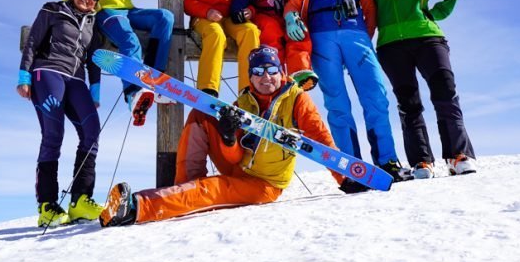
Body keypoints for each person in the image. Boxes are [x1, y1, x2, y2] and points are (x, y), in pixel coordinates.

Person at [98, 46, 339, 227]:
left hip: (263, 184)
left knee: (208, 189)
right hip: (239, 166)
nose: (266, 77)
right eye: (258, 71)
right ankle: (185, 187)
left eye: (272, 70)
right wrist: (228, 137)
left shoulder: (296, 99)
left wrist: (344, 176)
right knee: (202, 114)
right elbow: (233, 157)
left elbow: (321, 138)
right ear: (250, 76)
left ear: (281, 72)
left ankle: (134, 208)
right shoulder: (243, 101)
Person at [283, 0, 404, 188]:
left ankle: (388, 161)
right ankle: (352, 166)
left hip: (356, 36)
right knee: (337, 104)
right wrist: (291, 18)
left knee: (376, 96)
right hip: (322, 38)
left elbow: (369, 7)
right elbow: (293, 4)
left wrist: (363, 36)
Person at [364, 0, 476, 177]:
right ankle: (421, 162)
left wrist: (439, 11)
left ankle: (458, 155)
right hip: (391, 45)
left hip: (427, 38)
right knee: (408, 103)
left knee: (445, 93)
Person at [18, 0, 106, 227]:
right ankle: (47, 205)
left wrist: (95, 91)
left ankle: (80, 201)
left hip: (76, 81)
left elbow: (94, 60)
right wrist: (24, 76)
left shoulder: (93, 24)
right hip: (47, 73)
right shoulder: (53, 9)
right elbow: (33, 41)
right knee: (53, 135)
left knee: (92, 133)